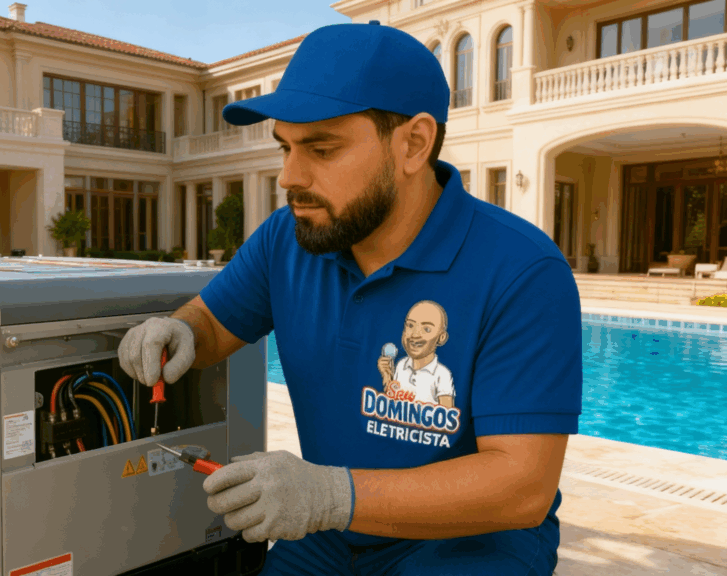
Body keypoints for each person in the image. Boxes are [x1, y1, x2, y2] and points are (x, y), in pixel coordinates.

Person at [119, 20, 582, 576]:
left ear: (413, 143)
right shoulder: (287, 239)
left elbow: (521, 486)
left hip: (470, 543)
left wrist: (328, 495)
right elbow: (216, 322)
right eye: (286, 147)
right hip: (331, 537)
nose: (289, 176)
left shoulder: (521, 270)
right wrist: (182, 330)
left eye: (321, 148)